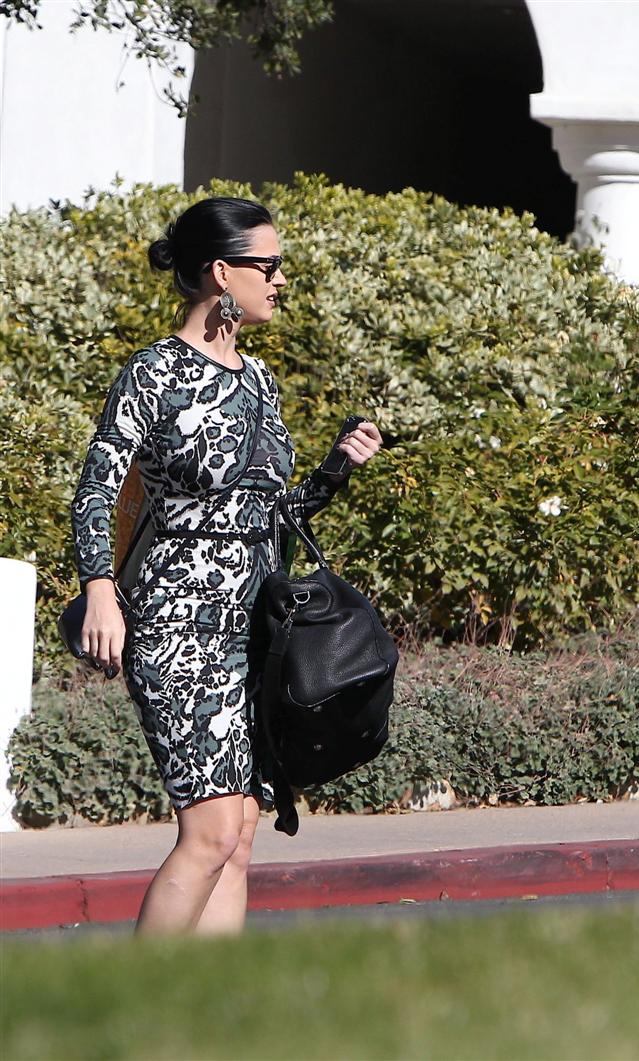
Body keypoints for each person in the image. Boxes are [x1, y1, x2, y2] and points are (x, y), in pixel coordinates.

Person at [72, 197, 383, 933]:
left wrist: (336, 469)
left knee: (239, 834)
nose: (279, 281)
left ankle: (205, 1027)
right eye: (267, 267)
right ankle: (134, 1021)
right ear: (221, 273)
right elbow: (96, 486)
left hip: (255, 626)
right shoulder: (153, 372)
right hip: (176, 619)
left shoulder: (260, 381)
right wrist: (99, 592)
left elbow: (267, 512)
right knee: (209, 830)